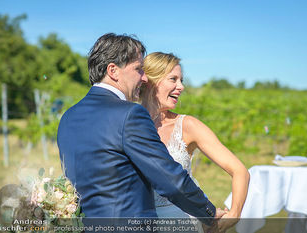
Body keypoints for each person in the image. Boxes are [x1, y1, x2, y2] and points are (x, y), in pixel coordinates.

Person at [57, 33, 226, 232]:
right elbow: (169, 179)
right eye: (138, 69)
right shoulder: (130, 113)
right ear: (113, 70)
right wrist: (209, 212)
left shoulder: (68, 117)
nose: (144, 78)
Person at [140, 52, 250, 232]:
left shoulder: (188, 125)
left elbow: (240, 171)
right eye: (173, 79)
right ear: (151, 80)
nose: (181, 86)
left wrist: (234, 213)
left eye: (181, 80)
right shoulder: (126, 122)